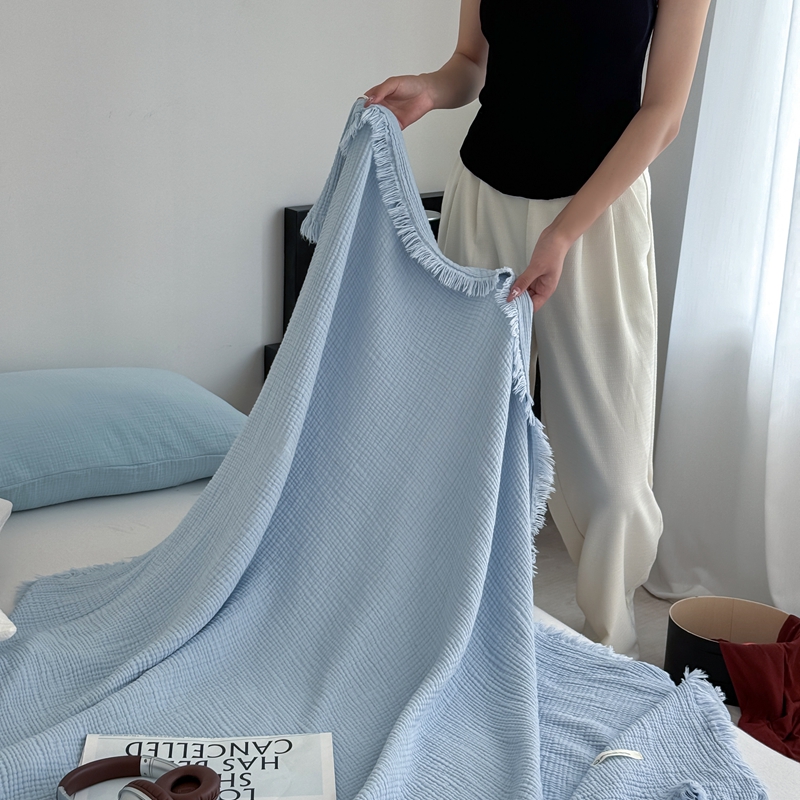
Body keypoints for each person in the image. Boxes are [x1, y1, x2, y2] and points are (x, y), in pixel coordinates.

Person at [364, 0, 712, 658]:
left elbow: (662, 114)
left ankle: (610, 647)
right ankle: (460, 637)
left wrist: (562, 232)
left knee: (613, 468)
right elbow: (471, 62)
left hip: (598, 222)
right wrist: (430, 89)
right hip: (483, 200)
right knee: (466, 440)